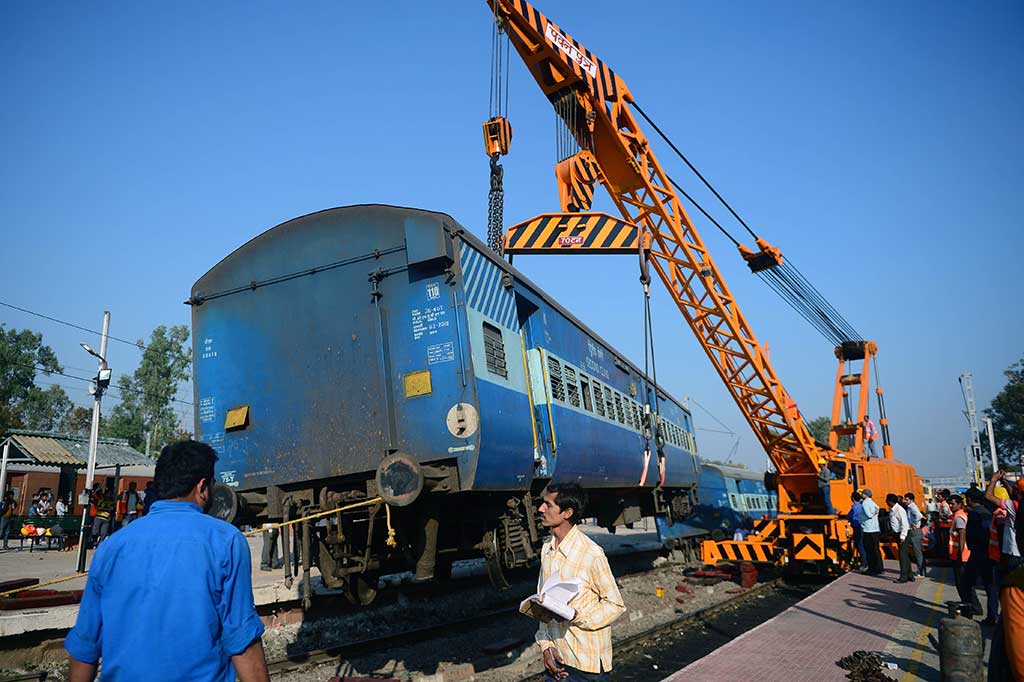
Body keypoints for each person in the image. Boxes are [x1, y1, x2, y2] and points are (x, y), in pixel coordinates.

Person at [65, 440, 268, 682]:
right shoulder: (226, 541)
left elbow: (85, 646)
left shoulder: (111, 546)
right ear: (202, 487)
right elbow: (242, 640)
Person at [535, 483, 626, 681]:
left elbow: (615, 604)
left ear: (567, 512)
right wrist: (545, 646)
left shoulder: (591, 553)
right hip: (557, 660)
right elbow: (544, 604)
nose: (541, 509)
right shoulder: (547, 550)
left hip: (586, 666)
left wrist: (577, 615)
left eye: (548, 505)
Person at [959, 490, 997, 623]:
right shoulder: (987, 512)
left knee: (965, 583)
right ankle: (992, 615)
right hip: (988, 553)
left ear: (969, 499)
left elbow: (978, 535)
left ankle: (970, 610)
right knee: (990, 586)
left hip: (978, 554)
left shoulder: (975, 514)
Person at [887, 494, 913, 583]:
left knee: (902, 556)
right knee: (905, 555)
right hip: (898, 533)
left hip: (903, 534)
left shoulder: (899, 510)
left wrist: (902, 536)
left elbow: (904, 524)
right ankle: (910, 575)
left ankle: (904, 577)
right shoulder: (893, 509)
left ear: (890, 501)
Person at [860, 488, 883, 575]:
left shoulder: (865, 503)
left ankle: (872, 568)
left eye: (862, 493)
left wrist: (873, 513)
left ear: (865, 494)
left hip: (868, 529)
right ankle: (879, 568)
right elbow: (878, 508)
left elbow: (869, 515)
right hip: (875, 529)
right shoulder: (872, 502)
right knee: (876, 549)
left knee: (869, 550)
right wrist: (875, 512)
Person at [903, 492, 926, 577]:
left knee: (917, 552)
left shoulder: (912, 506)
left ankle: (921, 572)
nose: (905, 501)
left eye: (906, 499)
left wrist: (914, 523)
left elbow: (919, 515)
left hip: (915, 531)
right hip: (915, 531)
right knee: (917, 552)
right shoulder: (910, 507)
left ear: (911, 500)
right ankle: (921, 570)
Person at [847, 491, 866, 570]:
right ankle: (864, 562)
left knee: (859, 545)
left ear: (853, 499)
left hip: (857, 527)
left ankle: (863, 563)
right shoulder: (862, 506)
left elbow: (848, 516)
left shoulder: (854, 507)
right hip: (863, 527)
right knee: (862, 545)